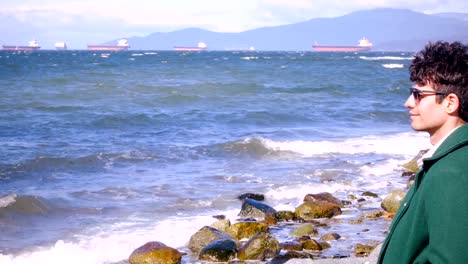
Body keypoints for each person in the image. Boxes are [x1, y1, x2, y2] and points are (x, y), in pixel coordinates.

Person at [377, 41, 468, 263]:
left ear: (450, 102)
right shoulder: (448, 160)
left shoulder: (450, 172)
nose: (408, 103)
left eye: (418, 94)